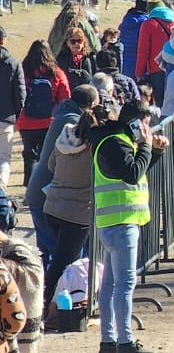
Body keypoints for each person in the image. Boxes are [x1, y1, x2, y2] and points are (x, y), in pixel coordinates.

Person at [92, 99, 168, 353]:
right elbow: (133, 174)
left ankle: (109, 341)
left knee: (111, 284)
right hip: (122, 223)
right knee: (124, 284)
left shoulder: (115, 141)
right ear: (135, 122)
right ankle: (124, 342)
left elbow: (135, 172)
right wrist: (146, 146)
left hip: (117, 222)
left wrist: (153, 152)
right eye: (145, 124)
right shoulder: (116, 142)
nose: (147, 130)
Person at [41, 102, 104, 316]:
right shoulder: (95, 148)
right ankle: (46, 307)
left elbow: (50, 165)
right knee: (63, 264)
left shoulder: (64, 138)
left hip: (53, 206)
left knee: (63, 260)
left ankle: (66, 303)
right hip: (77, 212)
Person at [16, 40, 72, 187]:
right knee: (46, 155)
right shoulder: (56, 73)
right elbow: (65, 98)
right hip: (49, 120)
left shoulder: (24, 72)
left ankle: (29, 185)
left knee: (30, 154)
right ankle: (44, 185)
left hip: (27, 121)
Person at [0, 26, 25, 188]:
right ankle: (1, 189)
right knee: (3, 158)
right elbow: (20, 94)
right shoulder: (14, 63)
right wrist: (18, 116)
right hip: (6, 118)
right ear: (4, 40)